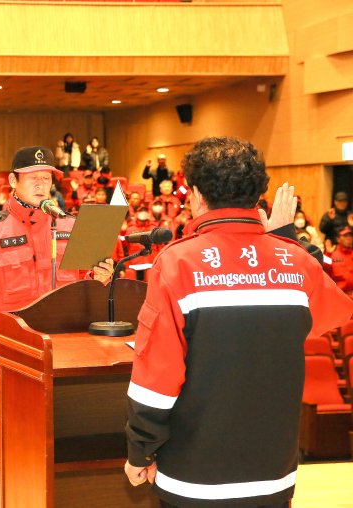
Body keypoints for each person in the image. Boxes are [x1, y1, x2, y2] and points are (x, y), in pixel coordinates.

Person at [124, 137, 353, 508]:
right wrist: (286, 241)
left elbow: (156, 380)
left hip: (194, 480)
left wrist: (140, 451)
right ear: (257, 196)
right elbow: (336, 314)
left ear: (196, 195)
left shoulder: (177, 263)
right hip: (273, 476)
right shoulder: (295, 261)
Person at [0, 146, 114, 355]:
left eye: (46, 178)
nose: (40, 184)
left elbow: (87, 285)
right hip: (15, 351)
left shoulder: (70, 225)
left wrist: (99, 276)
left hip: (68, 345)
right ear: (13, 181)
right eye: (32, 177)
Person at [328, 226, 353, 295]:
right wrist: (328, 254)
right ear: (338, 239)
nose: (349, 238)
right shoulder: (332, 254)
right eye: (345, 236)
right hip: (340, 295)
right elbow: (325, 272)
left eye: (350, 236)